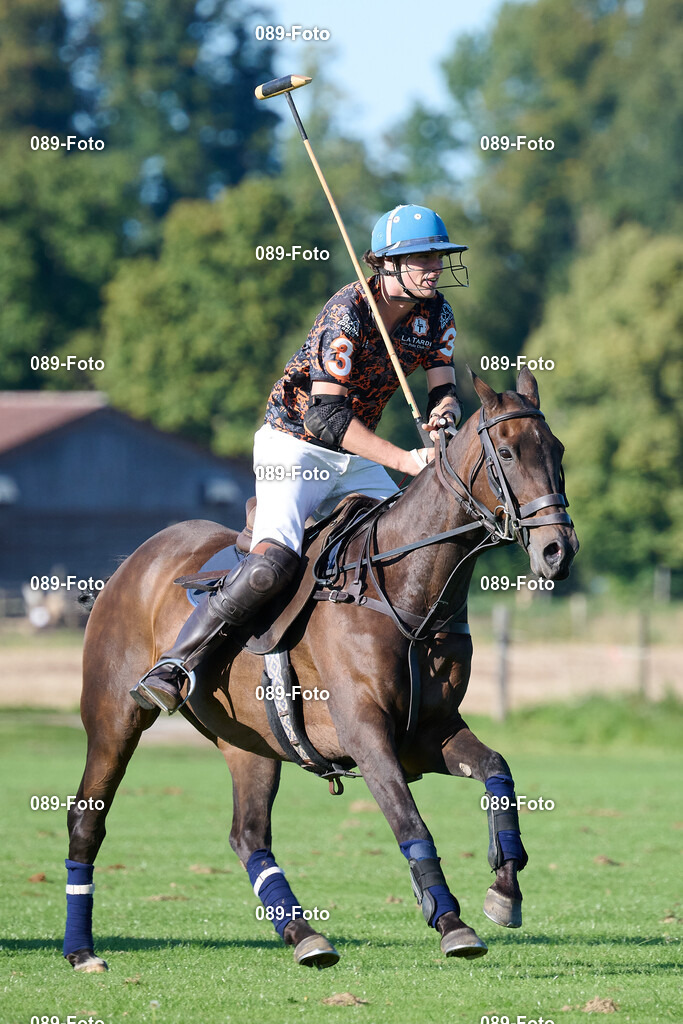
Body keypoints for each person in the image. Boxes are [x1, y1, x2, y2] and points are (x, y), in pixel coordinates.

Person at [131, 204, 468, 713]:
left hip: (352, 454)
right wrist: (403, 459)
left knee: (404, 541)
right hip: (296, 444)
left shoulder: (437, 313)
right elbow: (325, 419)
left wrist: (444, 414)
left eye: (436, 257)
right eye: (420, 258)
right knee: (275, 561)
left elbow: (442, 386)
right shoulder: (347, 312)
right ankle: (176, 663)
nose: (433, 267)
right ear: (386, 264)